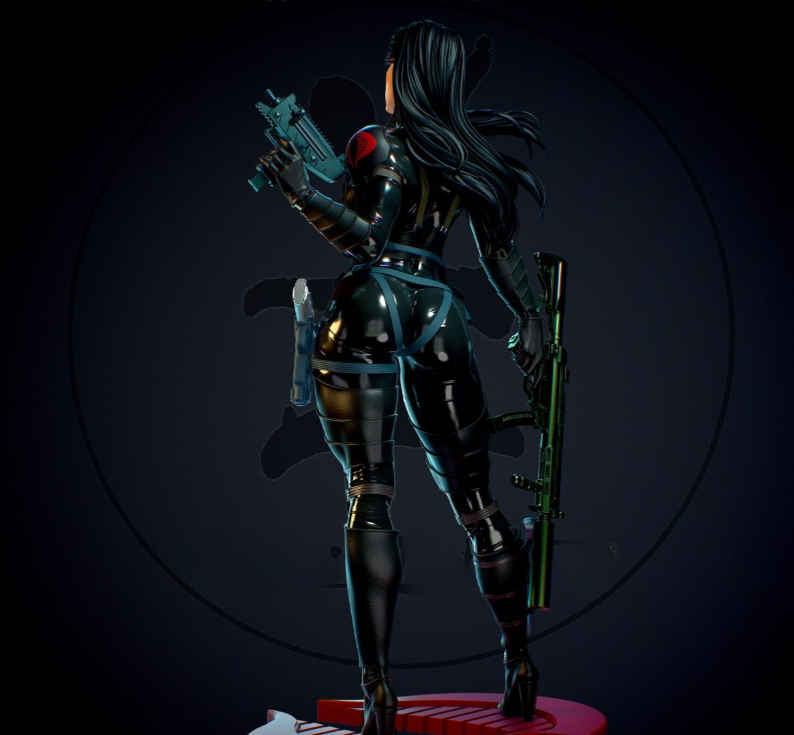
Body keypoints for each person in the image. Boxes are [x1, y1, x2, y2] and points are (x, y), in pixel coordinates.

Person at [258, 18, 548, 735]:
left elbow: (367, 239)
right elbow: (502, 254)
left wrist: (301, 191)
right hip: (438, 310)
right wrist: (535, 318)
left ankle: (379, 691)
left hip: (374, 300)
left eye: (390, 64)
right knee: (479, 503)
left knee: (370, 492)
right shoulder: (461, 159)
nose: (383, 77)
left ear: (405, 71)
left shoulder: (377, 143)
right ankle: (518, 663)